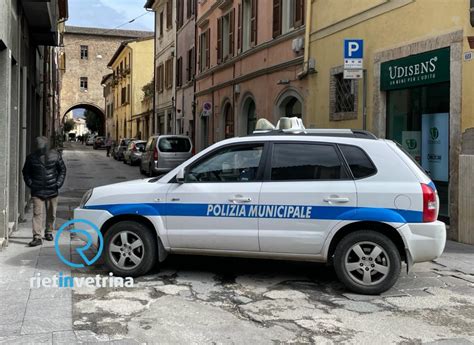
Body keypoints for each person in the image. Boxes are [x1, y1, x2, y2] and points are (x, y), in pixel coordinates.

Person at [22, 136, 67, 247]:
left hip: (52, 189)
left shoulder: (55, 155)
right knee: (37, 213)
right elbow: (26, 172)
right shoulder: (31, 158)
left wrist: (58, 183)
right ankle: (37, 237)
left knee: (51, 214)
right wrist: (31, 184)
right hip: (37, 190)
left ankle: (48, 232)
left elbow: (62, 170)